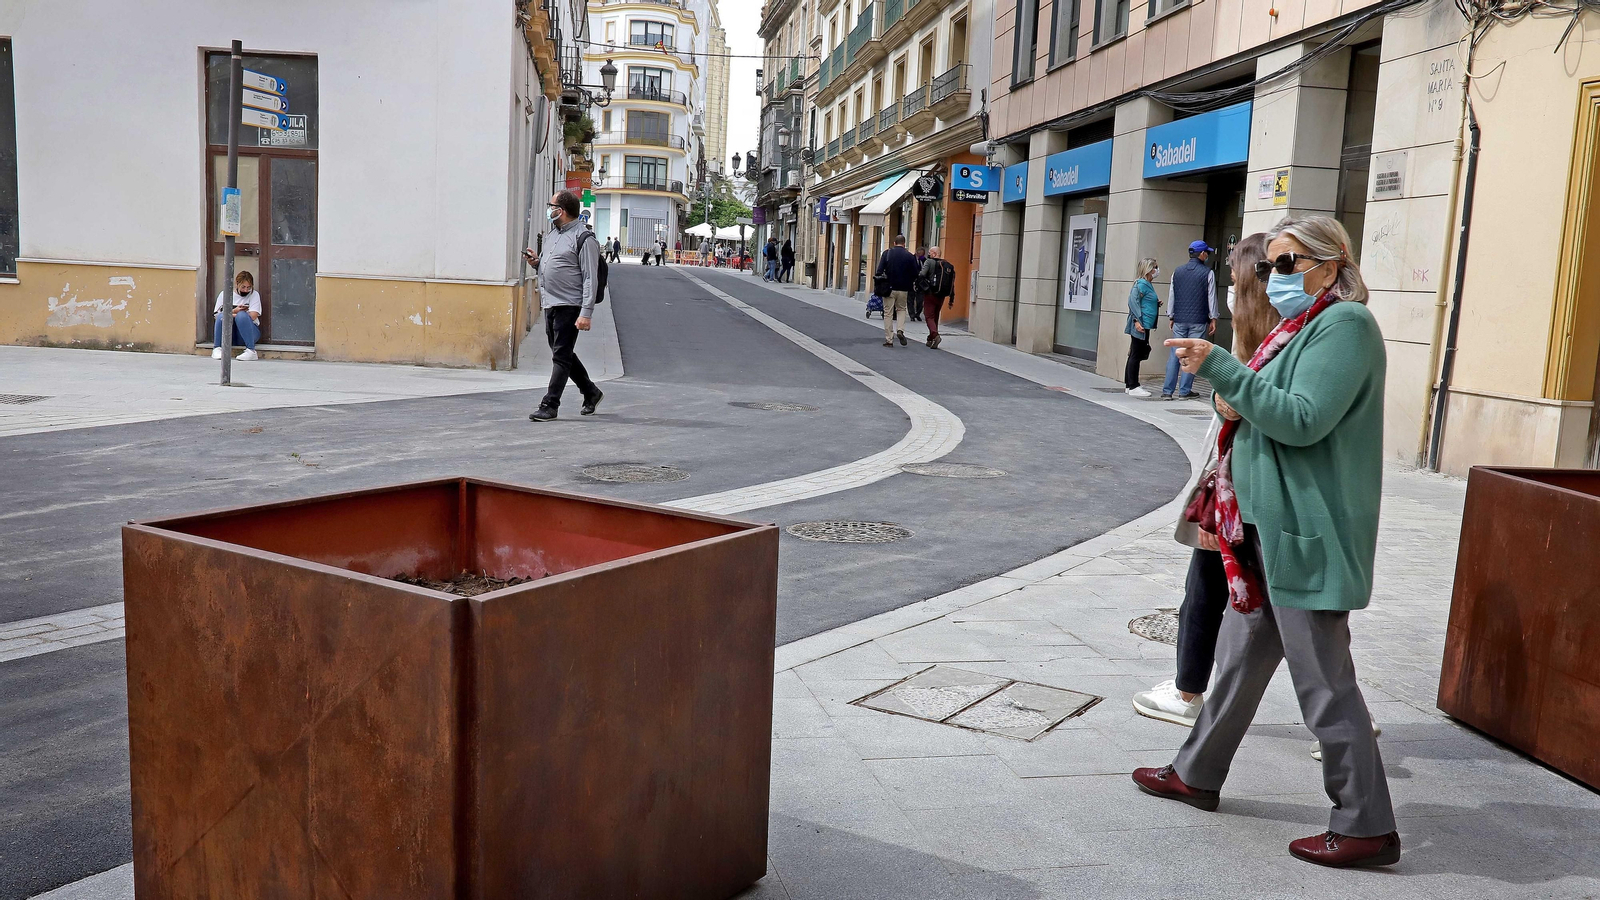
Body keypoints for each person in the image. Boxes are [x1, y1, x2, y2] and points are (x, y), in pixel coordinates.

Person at [1133, 214, 1398, 869]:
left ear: (1331, 264)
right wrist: (1232, 394)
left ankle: (1366, 824)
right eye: (1267, 266)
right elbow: (1260, 402)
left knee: (1326, 683)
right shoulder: (1300, 325)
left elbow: (1303, 421)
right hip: (1263, 526)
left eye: (1286, 265)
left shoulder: (1346, 326)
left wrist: (1223, 368)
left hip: (1303, 532)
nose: (1272, 277)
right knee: (1239, 664)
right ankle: (1197, 772)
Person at [1132, 235, 1272, 727]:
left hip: (1245, 488)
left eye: (1236, 275)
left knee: (1212, 591)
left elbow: (1237, 405)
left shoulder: (1275, 335)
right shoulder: (1271, 329)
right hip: (1244, 485)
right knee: (1297, 616)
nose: (1230, 281)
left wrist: (1220, 379)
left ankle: (1189, 692)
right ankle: (1343, 716)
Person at [522, 190, 604, 422]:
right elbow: (554, 266)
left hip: (570, 304)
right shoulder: (553, 234)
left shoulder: (584, 239)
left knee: (561, 355)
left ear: (562, 210)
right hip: (550, 302)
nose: (549, 209)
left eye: (552, 205)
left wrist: (586, 313)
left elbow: (590, 278)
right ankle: (590, 391)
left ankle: (550, 404)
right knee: (562, 352)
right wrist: (536, 263)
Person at [1162, 240, 1218, 400]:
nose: (1208, 255)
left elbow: (1172, 295)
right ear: (1201, 254)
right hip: (1199, 320)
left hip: (1179, 319)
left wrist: (1171, 315)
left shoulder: (1177, 272)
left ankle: (1167, 391)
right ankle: (1184, 391)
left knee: (1175, 353)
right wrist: (1213, 318)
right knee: (1193, 354)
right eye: (1207, 252)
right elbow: (1211, 298)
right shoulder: (1208, 273)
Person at [1123, 258, 1161, 397]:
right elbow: (1133, 303)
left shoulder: (1147, 284)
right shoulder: (1140, 284)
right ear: (1149, 269)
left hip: (1145, 324)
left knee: (1134, 352)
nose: (1157, 270)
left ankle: (1129, 384)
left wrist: (1156, 304)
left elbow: (1144, 301)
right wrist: (1136, 322)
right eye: (1155, 267)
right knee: (1136, 354)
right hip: (1141, 324)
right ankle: (1133, 386)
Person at [874, 234, 919, 347]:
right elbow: (915, 273)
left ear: (894, 243)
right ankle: (900, 330)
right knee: (901, 309)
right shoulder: (910, 256)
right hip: (904, 288)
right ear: (904, 244)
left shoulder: (887, 253)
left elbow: (879, 271)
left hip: (889, 288)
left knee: (888, 313)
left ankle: (889, 339)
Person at [211, 270, 262, 361]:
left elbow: (253, 315)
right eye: (243, 287)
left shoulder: (254, 295)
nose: (246, 290)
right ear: (237, 284)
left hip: (249, 332)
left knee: (241, 316)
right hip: (230, 333)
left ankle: (251, 350)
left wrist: (235, 314)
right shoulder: (225, 294)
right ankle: (217, 348)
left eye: (248, 287)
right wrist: (234, 311)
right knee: (222, 316)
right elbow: (217, 316)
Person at [916, 246, 955, 349]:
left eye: (929, 253)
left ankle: (935, 335)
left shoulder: (929, 262)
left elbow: (922, 274)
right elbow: (952, 283)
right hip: (941, 295)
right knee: (935, 317)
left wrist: (919, 284)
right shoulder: (947, 265)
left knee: (928, 316)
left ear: (934, 253)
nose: (929, 255)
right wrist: (951, 299)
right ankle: (931, 338)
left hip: (930, 293)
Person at [908, 247, 928, 321]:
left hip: (921, 283)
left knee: (920, 300)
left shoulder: (924, 260)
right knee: (910, 299)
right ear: (917, 252)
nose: (921, 255)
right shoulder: (911, 259)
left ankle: (918, 313)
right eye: (920, 254)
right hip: (911, 281)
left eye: (922, 254)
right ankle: (912, 315)